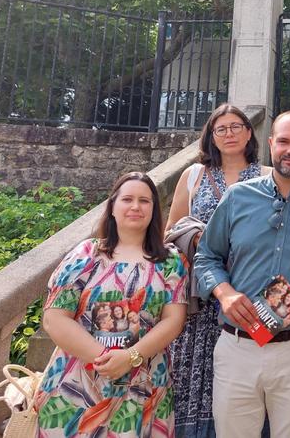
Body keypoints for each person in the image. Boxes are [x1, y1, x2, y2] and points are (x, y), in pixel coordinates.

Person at [194, 111, 290, 438]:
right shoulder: (238, 197)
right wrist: (224, 293)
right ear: (270, 144)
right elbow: (207, 257)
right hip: (238, 346)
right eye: (284, 141)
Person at [35, 172, 188, 436]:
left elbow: (174, 320)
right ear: (113, 207)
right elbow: (54, 318)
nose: (135, 206)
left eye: (144, 200)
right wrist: (105, 361)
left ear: (154, 209)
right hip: (77, 384)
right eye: (127, 199)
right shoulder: (86, 254)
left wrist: (130, 357)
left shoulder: (170, 261)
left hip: (143, 385)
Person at [165, 103, 266, 438]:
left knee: (246, 378)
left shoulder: (266, 175)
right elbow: (171, 232)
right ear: (211, 137)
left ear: (249, 132)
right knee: (192, 374)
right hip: (199, 294)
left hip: (248, 291)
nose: (229, 134)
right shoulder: (193, 176)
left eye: (236, 126)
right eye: (221, 129)